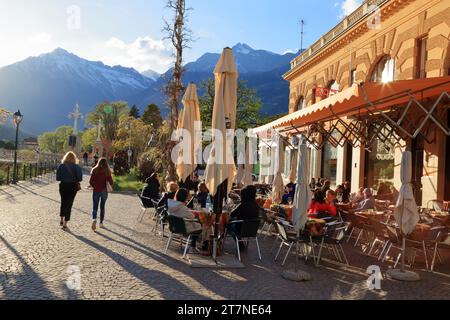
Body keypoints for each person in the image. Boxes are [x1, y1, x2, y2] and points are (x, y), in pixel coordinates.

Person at [56, 151, 83, 230]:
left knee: (63, 202)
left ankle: (61, 219)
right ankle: (65, 223)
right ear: (74, 158)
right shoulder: (77, 167)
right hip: (72, 186)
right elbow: (80, 179)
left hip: (63, 185)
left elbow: (58, 178)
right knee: (69, 204)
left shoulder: (61, 166)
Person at [89, 158, 113, 231]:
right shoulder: (107, 171)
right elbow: (111, 182)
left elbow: (90, 181)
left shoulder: (94, 170)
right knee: (102, 207)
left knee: (95, 207)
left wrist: (95, 185)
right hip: (104, 191)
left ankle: (94, 219)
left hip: (96, 190)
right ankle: (101, 223)